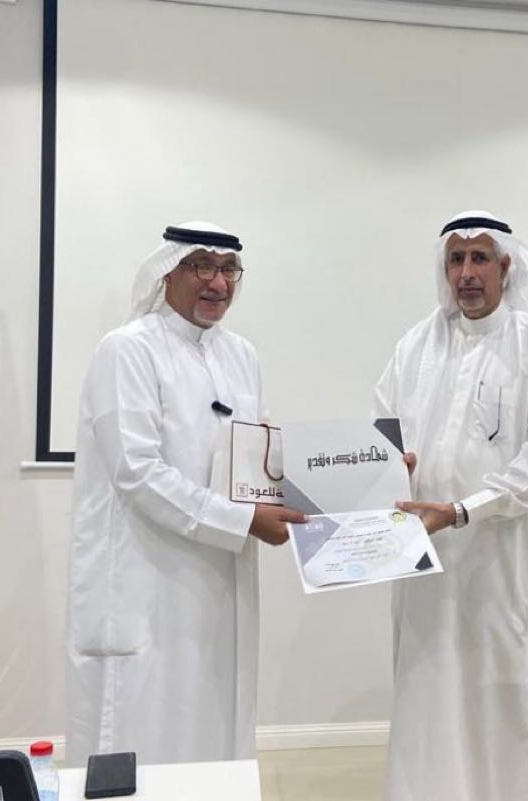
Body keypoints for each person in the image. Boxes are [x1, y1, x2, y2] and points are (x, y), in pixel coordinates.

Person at [66, 220, 305, 765]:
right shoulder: (127, 349)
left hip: (222, 584)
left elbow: (259, 458)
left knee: (218, 725)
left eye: (228, 269)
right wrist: (242, 522)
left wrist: (369, 473)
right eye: (201, 266)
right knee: (146, 733)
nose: (217, 283)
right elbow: (137, 472)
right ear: (167, 273)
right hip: (149, 582)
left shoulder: (241, 354)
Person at [374, 210, 528, 801]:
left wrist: (462, 511)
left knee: (498, 699)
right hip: (423, 559)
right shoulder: (415, 345)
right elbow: (381, 428)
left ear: (505, 266)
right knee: (423, 693)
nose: (467, 273)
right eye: (456, 260)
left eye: (480, 258)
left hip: (500, 562)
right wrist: (390, 464)